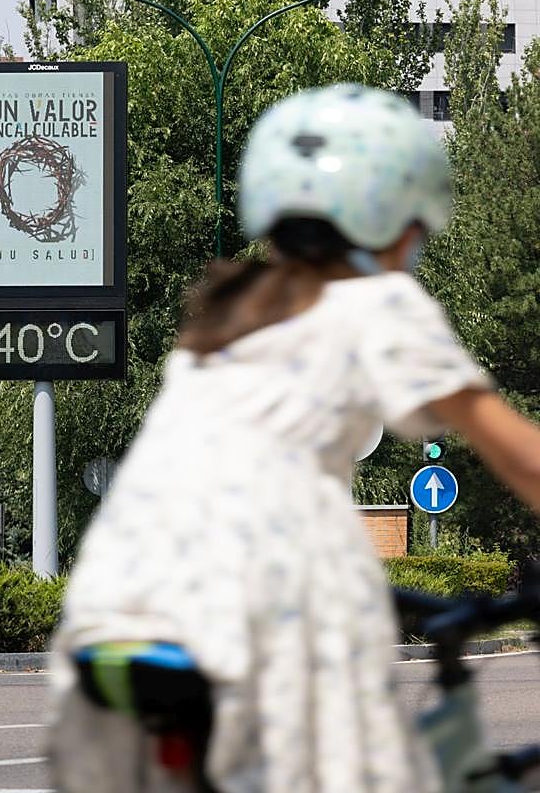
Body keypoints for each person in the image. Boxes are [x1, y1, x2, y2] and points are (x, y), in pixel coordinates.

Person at [49, 83, 540, 793]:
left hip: (110, 624)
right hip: (266, 623)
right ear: (398, 222)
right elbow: (518, 452)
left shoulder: (225, 321)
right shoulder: (380, 303)